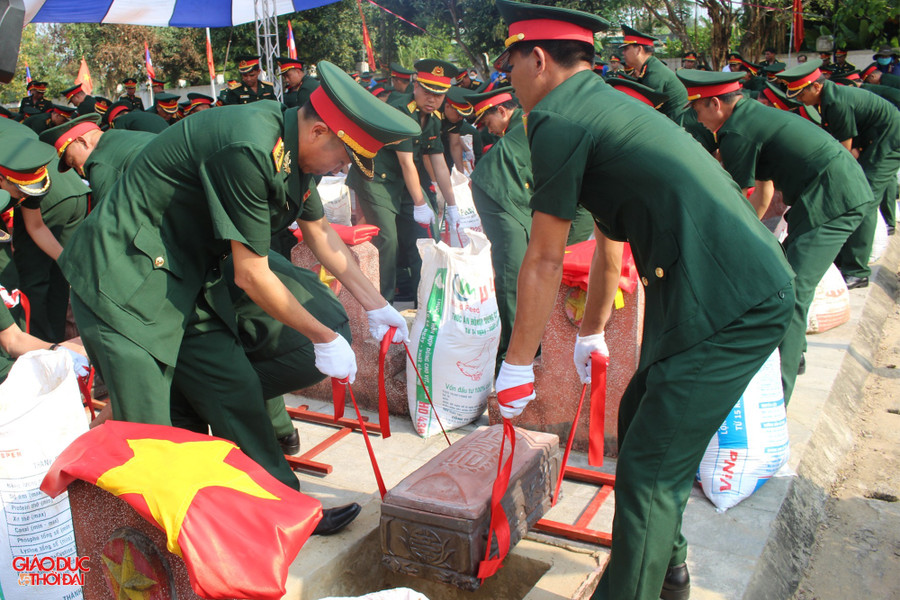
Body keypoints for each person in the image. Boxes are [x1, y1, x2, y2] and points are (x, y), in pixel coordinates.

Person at [492, 3, 795, 600]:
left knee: (650, 472)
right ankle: (669, 570)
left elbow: (545, 256)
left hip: (731, 300)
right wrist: (590, 332)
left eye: (511, 68)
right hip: (700, 288)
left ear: (538, 58)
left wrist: (518, 361)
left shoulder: (556, 117)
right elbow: (608, 247)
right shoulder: (601, 107)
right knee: (638, 423)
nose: (510, 83)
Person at [56, 62, 419, 535]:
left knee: (235, 387)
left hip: (183, 280)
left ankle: (283, 511)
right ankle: (155, 542)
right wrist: (324, 337)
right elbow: (251, 274)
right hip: (122, 282)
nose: (343, 170)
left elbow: (321, 233)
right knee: (151, 430)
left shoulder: (290, 151)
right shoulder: (248, 146)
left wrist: (376, 304)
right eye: (344, 157)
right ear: (319, 131)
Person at [679, 69, 875, 404]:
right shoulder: (751, 116)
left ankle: (779, 396)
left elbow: (733, 199)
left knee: (792, 291)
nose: (697, 118)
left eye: (697, 109)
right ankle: (794, 351)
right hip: (820, 196)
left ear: (715, 104)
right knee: (781, 275)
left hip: (832, 198)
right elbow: (762, 193)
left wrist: (715, 246)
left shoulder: (737, 131)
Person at [346, 59, 460, 302]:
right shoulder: (401, 111)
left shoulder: (433, 118)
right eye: (427, 92)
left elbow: (438, 162)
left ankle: (427, 301)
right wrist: (420, 203)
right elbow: (407, 162)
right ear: (415, 86)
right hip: (376, 179)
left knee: (426, 236)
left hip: (402, 180)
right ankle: (381, 304)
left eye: (439, 95)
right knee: (388, 241)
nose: (432, 99)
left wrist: (452, 204)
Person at [781, 59, 900, 287]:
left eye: (801, 94)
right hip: (875, 139)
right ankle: (846, 258)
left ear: (816, 87)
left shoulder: (836, 102)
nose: (799, 100)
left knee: (864, 199)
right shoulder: (828, 98)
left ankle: (857, 270)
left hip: (888, 140)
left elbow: (843, 154)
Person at [0, 133, 90, 343]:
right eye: (21, 192)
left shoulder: (27, 177)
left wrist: (66, 261)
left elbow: (36, 226)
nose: (25, 197)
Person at [619, 25, 687, 120]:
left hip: (677, 121)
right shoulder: (650, 67)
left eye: (626, 49)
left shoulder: (654, 72)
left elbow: (646, 109)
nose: (623, 53)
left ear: (639, 49)